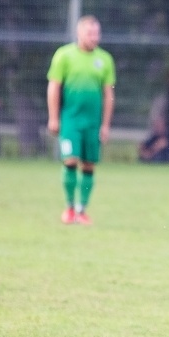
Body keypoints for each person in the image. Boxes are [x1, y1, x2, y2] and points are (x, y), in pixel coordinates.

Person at [47, 15, 116, 225]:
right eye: (90, 33)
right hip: (70, 120)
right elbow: (54, 87)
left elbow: (108, 95)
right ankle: (69, 208)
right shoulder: (64, 55)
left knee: (88, 166)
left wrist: (105, 125)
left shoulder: (105, 59)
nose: (95, 37)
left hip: (92, 123)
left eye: (97, 33)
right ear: (79, 33)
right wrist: (53, 117)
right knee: (70, 161)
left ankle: (82, 209)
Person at [138, 71, 169, 163]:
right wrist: (145, 152)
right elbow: (142, 146)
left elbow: (163, 143)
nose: (157, 126)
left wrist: (152, 152)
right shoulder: (153, 137)